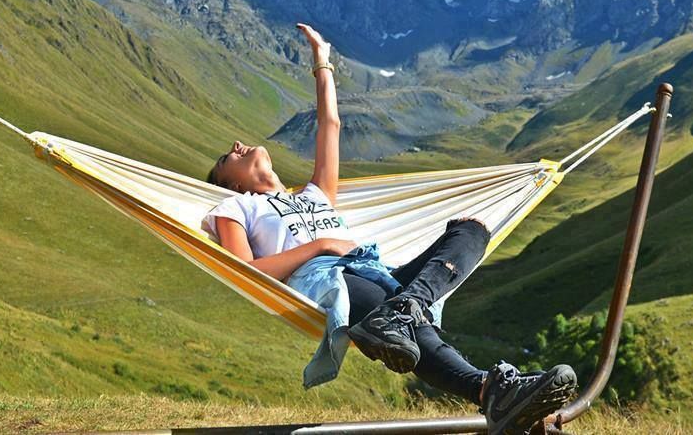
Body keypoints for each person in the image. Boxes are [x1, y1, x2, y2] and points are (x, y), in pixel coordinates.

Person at [202, 23, 576, 435]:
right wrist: (321, 245)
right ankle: (490, 388)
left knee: (470, 231)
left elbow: (330, 125)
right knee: (401, 314)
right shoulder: (237, 206)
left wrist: (322, 60)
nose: (236, 146)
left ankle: (404, 313)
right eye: (225, 158)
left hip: (373, 270)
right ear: (232, 184)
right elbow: (246, 270)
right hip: (327, 281)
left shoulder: (314, 192)